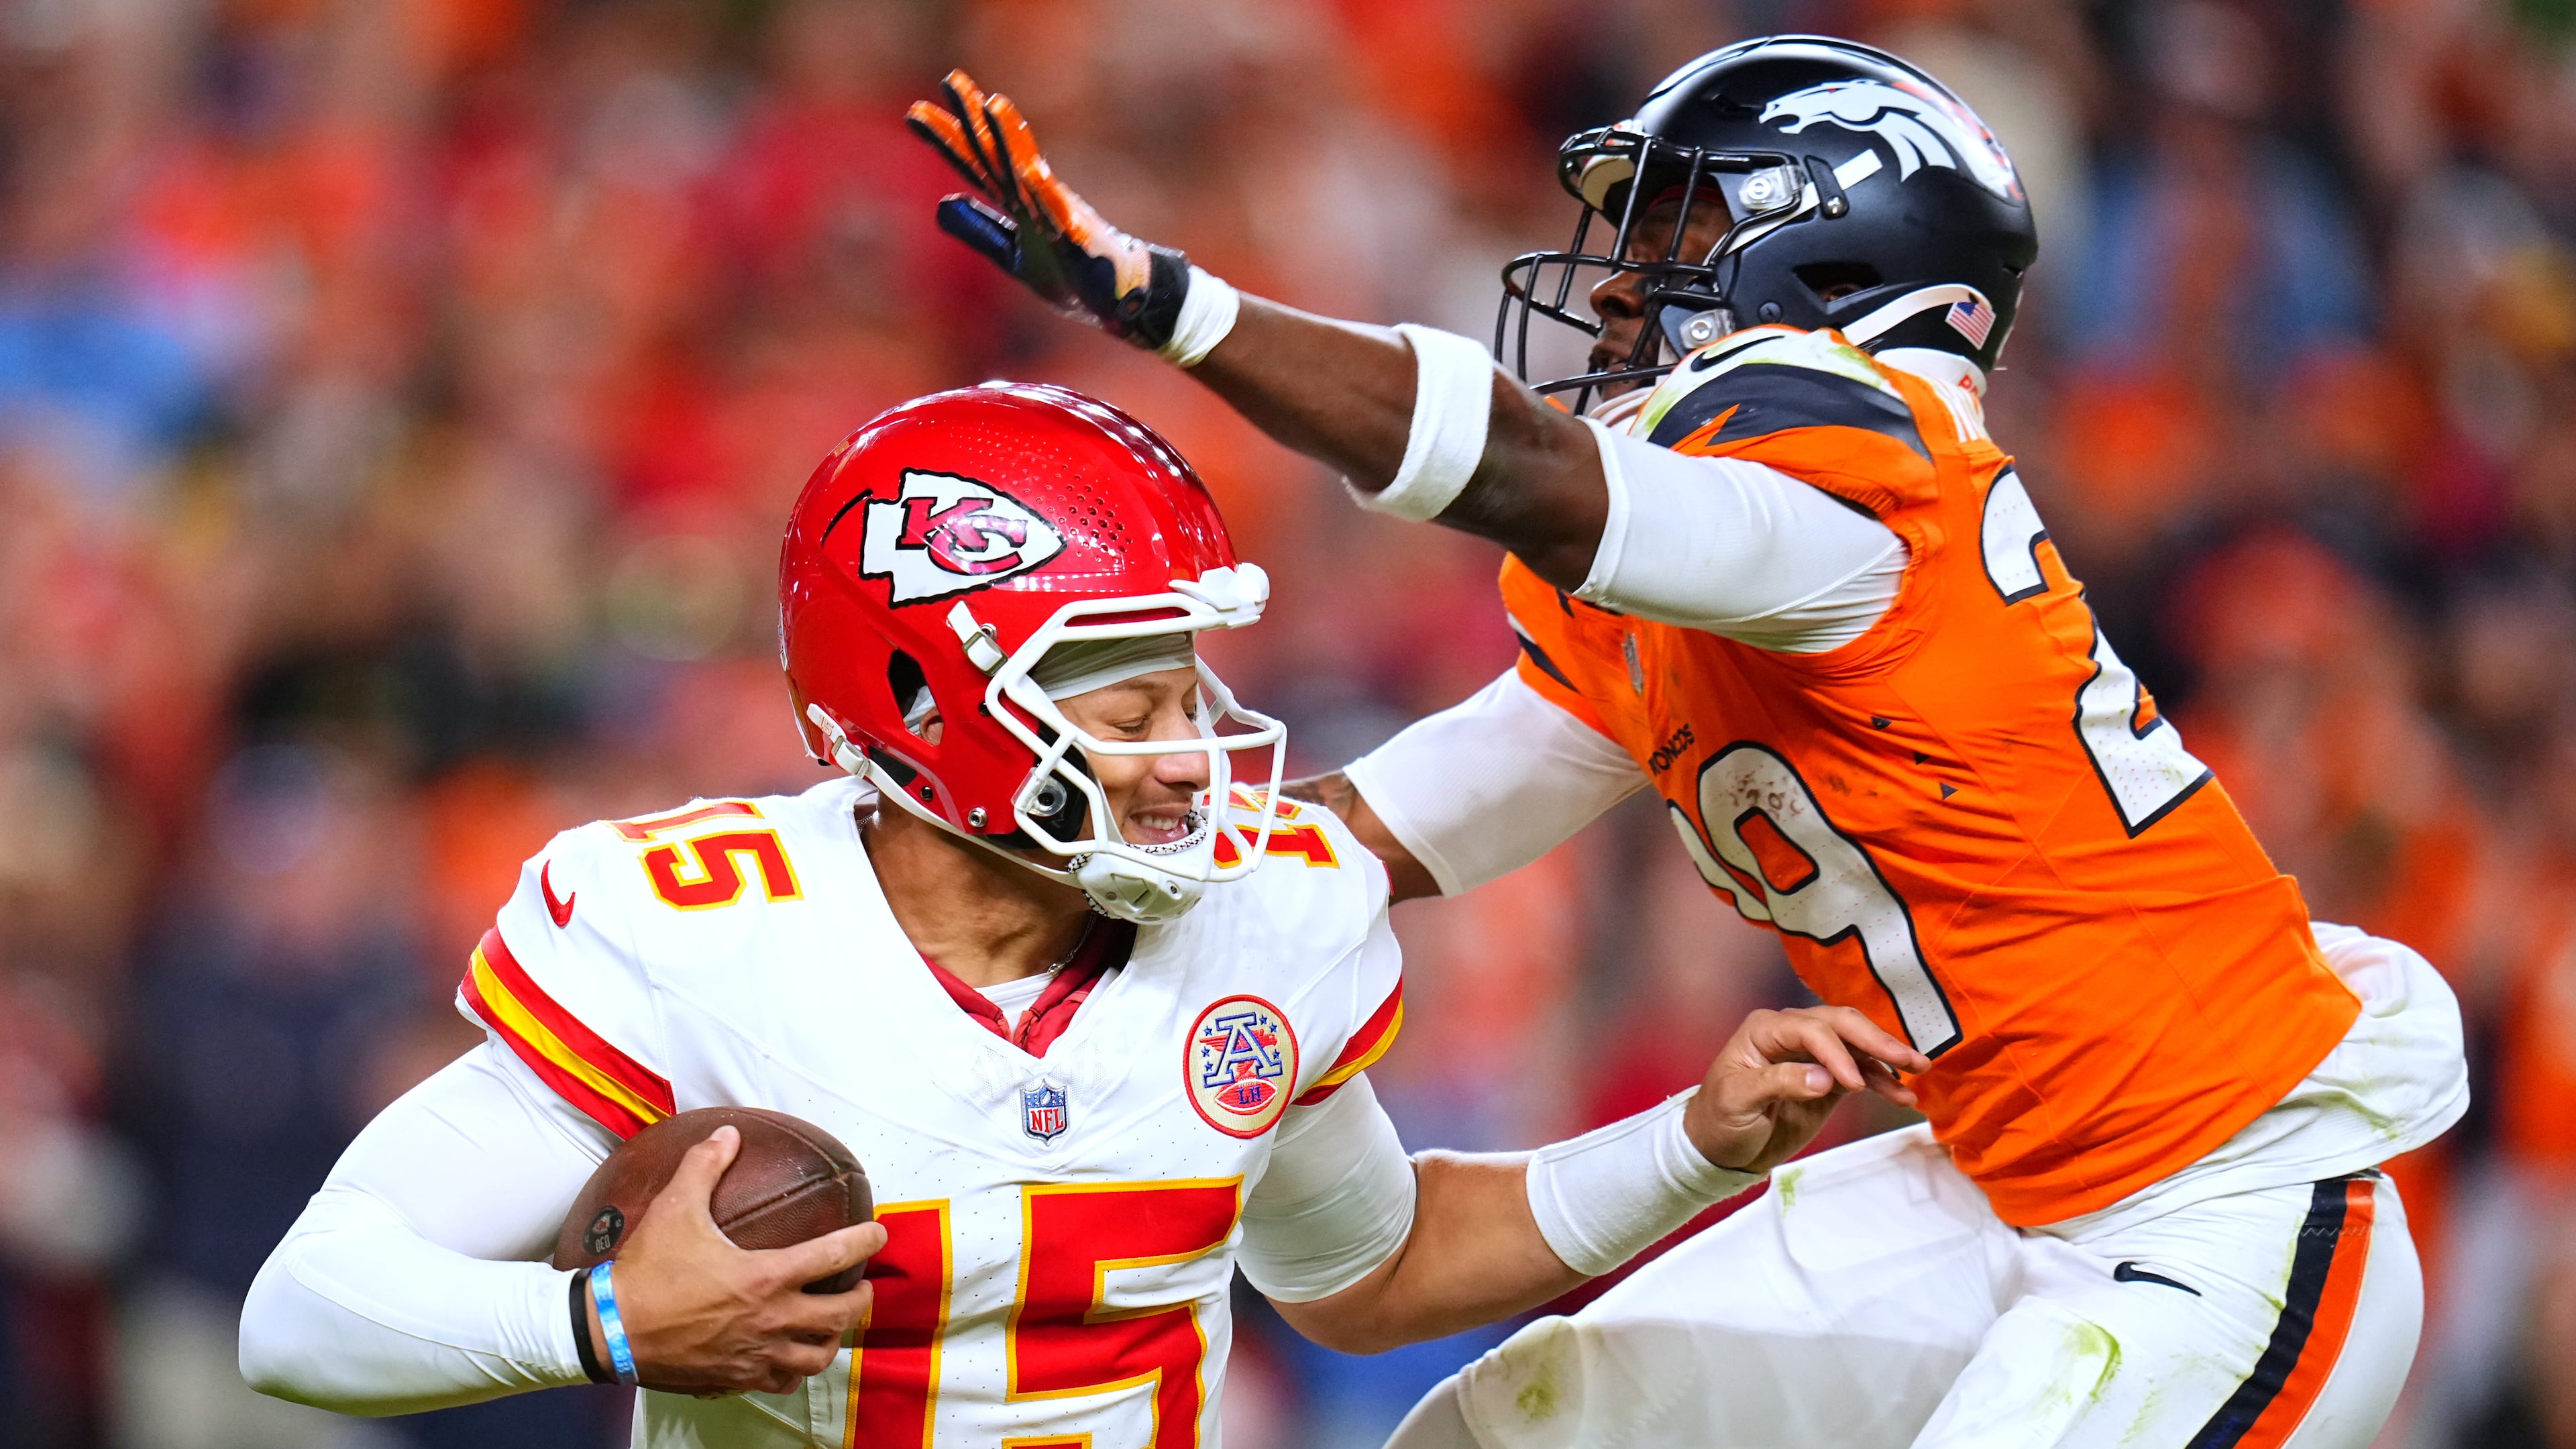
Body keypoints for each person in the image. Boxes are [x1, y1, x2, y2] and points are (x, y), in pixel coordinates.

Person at [906, 36, 2468, 1449]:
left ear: (1844, 250)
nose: (1620, 288)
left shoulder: (1867, 475)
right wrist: (1030, 858)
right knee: (1511, 1435)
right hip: (2004, 1185)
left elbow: (1526, 468)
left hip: (2229, 1203)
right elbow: (1380, 831)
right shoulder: (1704, 575)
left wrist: (1174, 308)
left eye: (1677, 234)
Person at [233, 382, 1920, 1446]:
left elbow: (1363, 1271)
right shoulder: (687, 926)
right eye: (1123, 710)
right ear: (916, 707)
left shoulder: (1285, 919)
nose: (1192, 757)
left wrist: (1693, 1144)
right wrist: (593, 1325)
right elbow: (304, 1314)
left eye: (1190, 689)